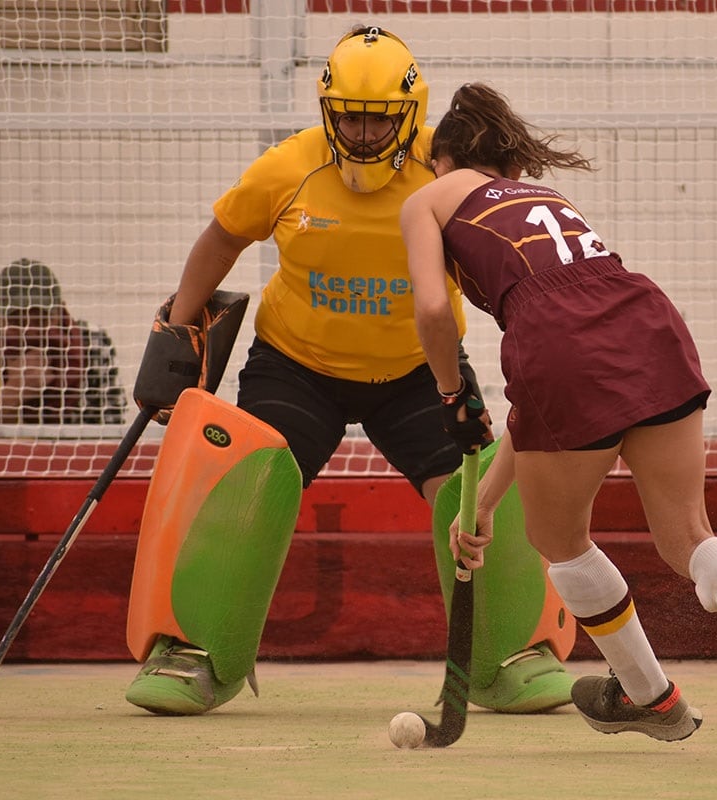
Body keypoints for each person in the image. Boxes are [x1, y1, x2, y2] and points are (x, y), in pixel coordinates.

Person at [122, 26, 574, 717]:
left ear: (412, 115)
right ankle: (193, 653)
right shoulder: (287, 168)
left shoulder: (446, 172)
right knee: (247, 481)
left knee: (478, 490)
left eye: (379, 118)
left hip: (423, 372)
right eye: (350, 117)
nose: (363, 134)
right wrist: (181, 327)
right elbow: (223, 238)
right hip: (297, 366)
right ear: (327, 108)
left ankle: (513, 655)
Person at [400, 82, 717, 763]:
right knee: (688, 536)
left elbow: (437, 315)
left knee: (559, 538)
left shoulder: (426, 199)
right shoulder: (547, 202)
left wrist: (448, 392)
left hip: (556, 344)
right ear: (509, 166)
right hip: (646, 317)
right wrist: (484, 503)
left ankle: (650, 696)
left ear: (440, 159)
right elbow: (546, 399)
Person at [0, 258, 126, 425]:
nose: (29, 332)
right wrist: (13, 392)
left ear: (60, 313)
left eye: (41, 320)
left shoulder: (93, 345)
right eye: (17, 321)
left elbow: (112, 433)